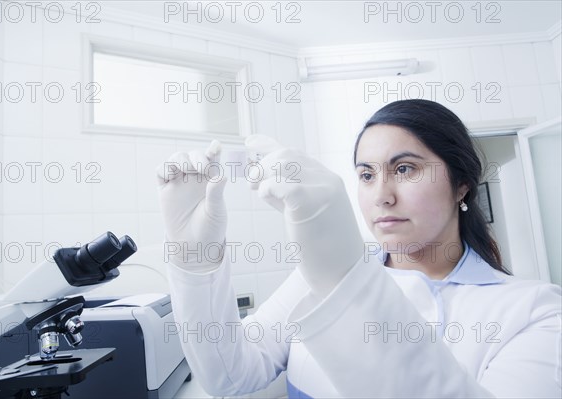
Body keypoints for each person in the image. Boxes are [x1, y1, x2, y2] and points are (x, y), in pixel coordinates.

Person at [157, 99, 561, 398]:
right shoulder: (313, 280)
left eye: (405, 169)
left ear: (461, 185)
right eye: (366, 174)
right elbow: (230, 377)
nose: (381, 196)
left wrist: (342, 278)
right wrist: (196, 261)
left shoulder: (535, 313)